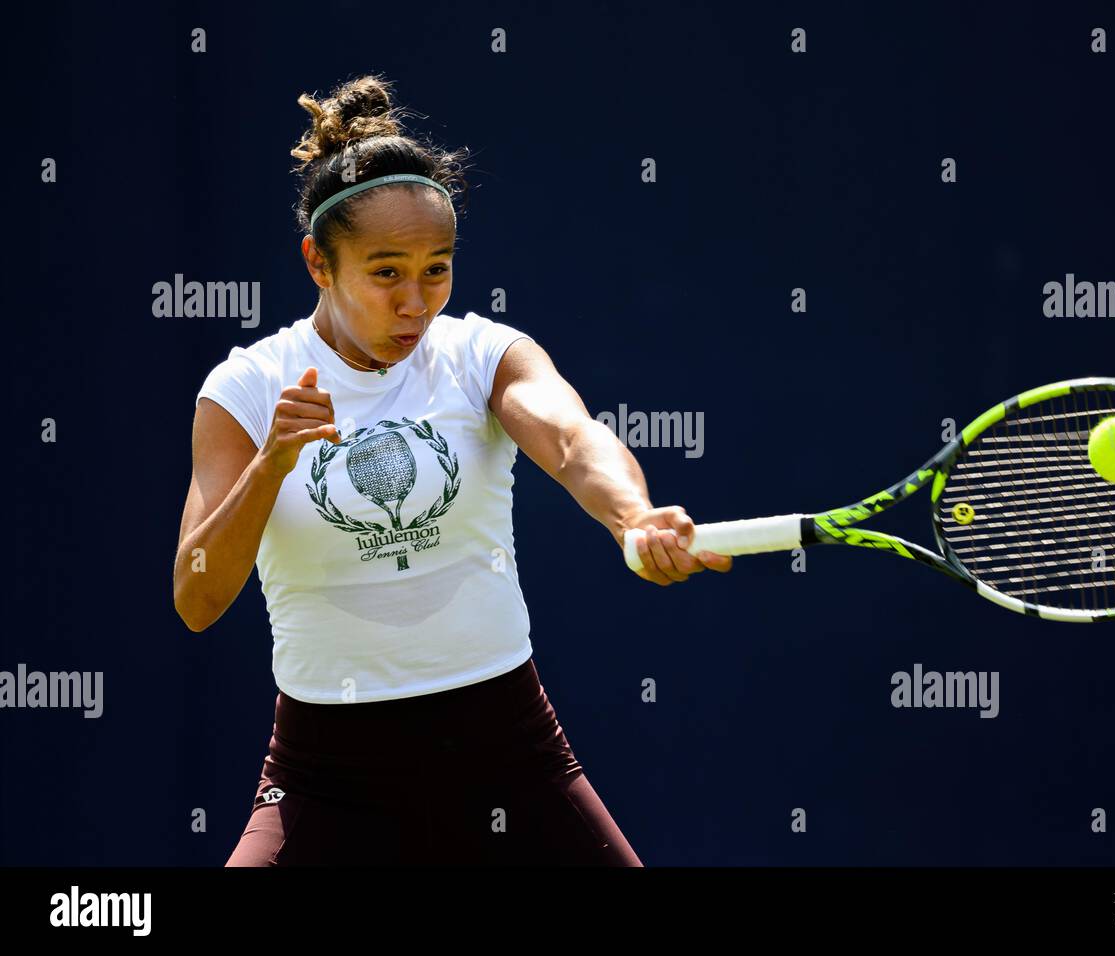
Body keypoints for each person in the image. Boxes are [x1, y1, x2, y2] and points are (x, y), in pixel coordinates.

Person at [172, 74, 731, 866]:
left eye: (437, 267)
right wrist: (270, 466)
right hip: (325, 774)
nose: (416, 301)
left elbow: (573, 443)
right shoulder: (246, 390)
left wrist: (632, 516)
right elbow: (196, 598)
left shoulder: (482, 355)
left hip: (509, 753)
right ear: (318, 265)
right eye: (387, 271)